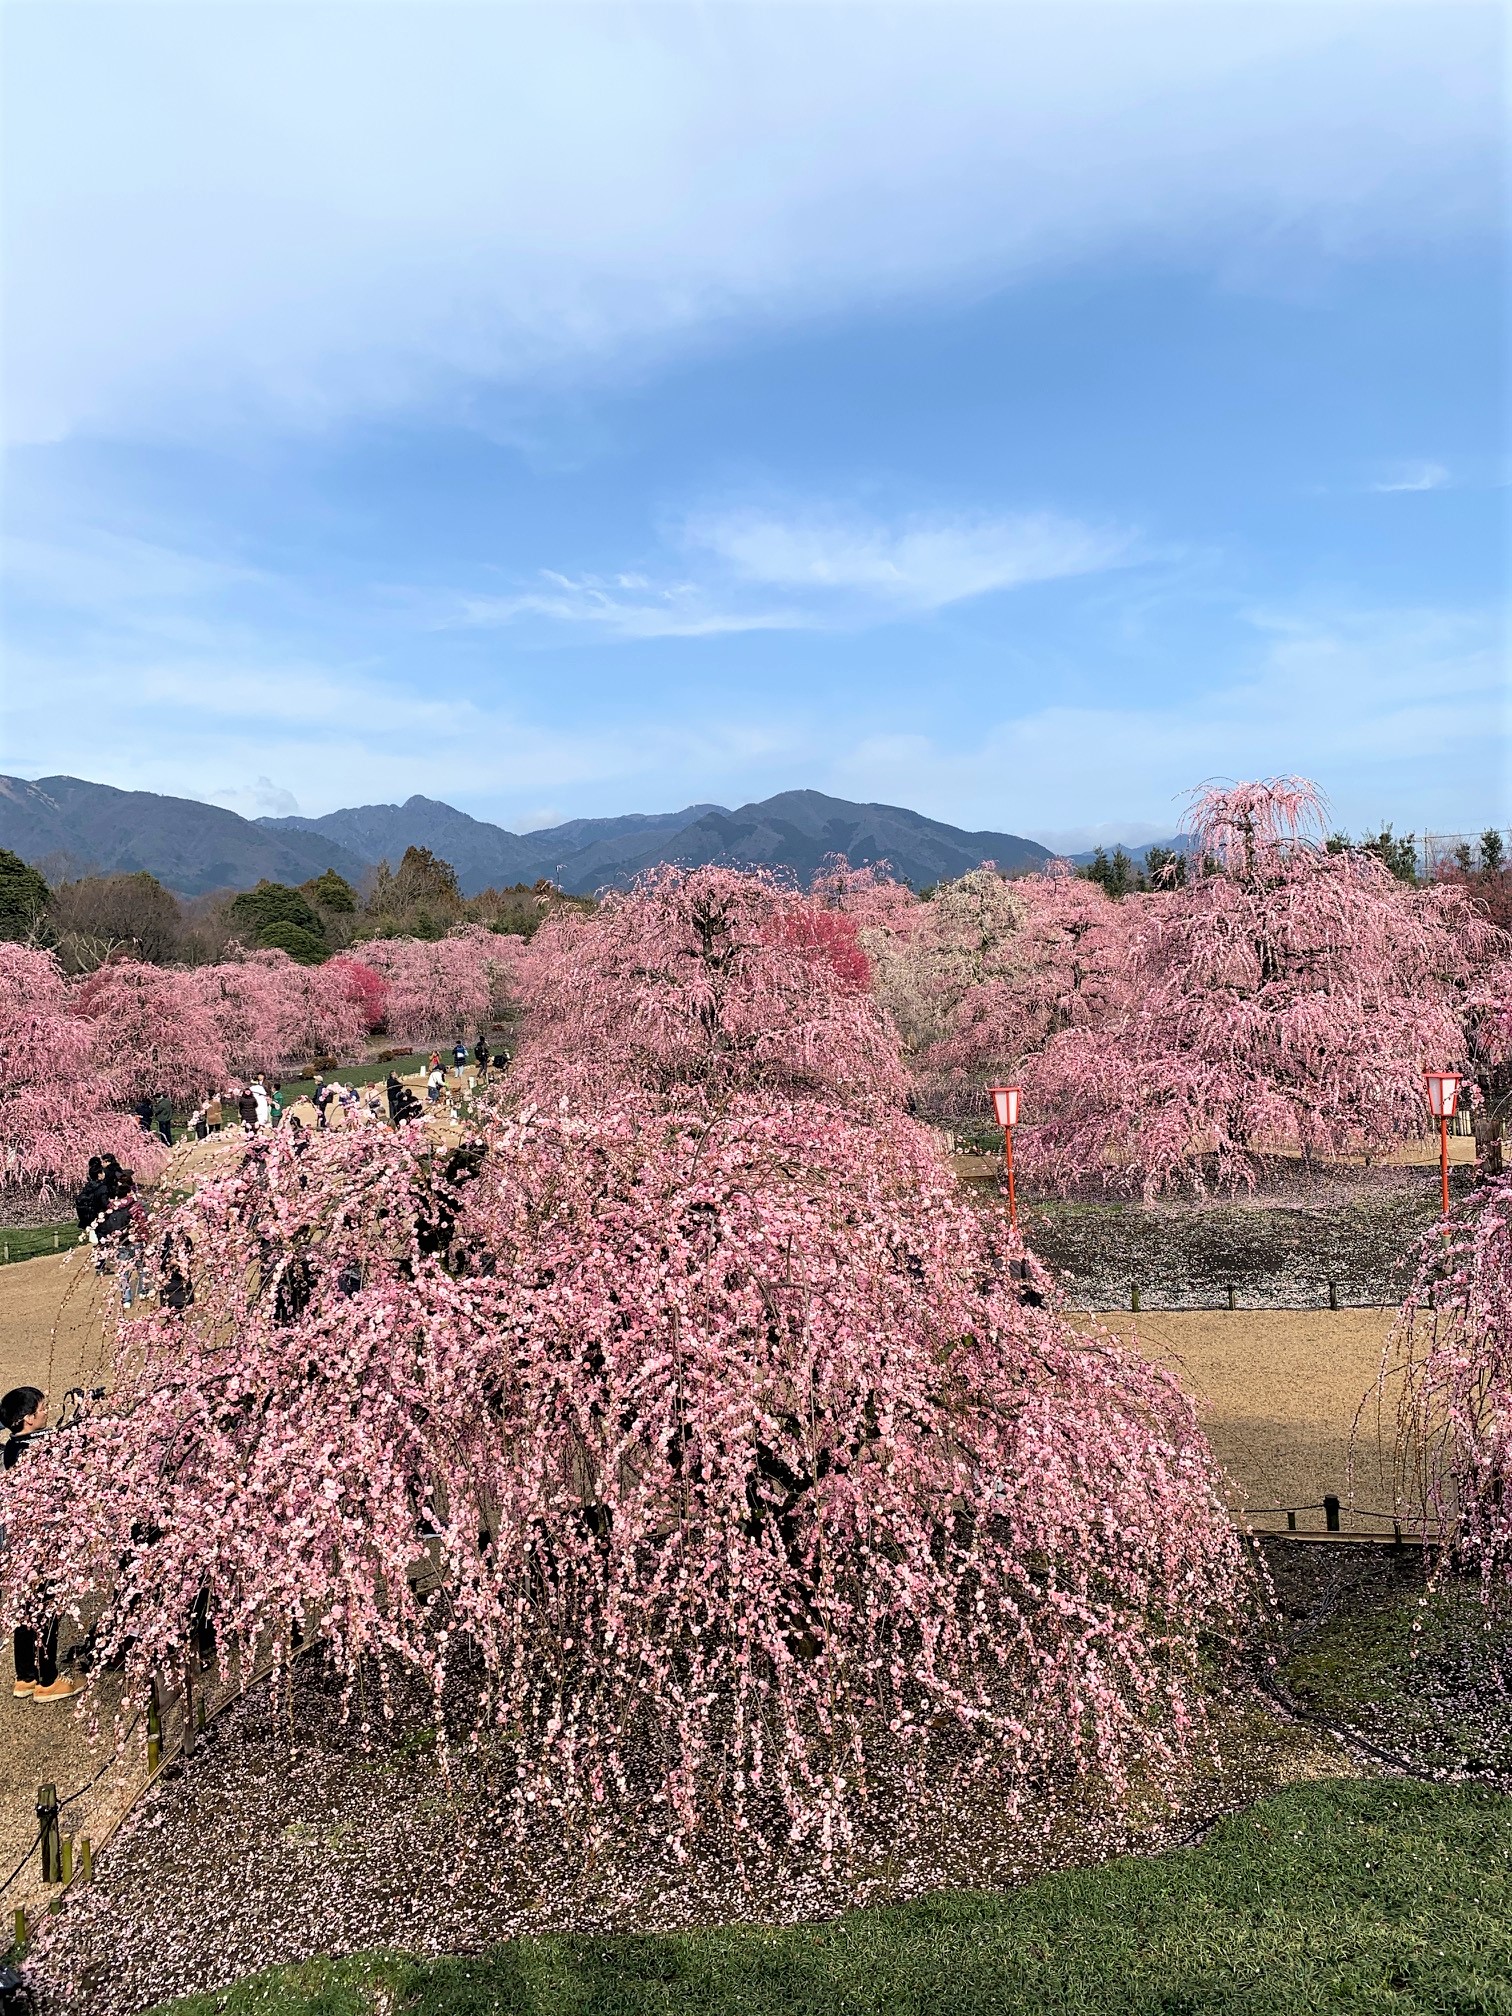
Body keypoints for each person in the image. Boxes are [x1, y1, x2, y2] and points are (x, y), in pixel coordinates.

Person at [2, 1387, 82, 1701]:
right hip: (44, 1542)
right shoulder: (40, 1448)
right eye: (42, 1408)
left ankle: (25, 1676)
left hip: (20, 1542)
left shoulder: (11, 1447)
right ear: (28, 1419)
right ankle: (48, 1681)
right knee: (46, 1608)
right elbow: (71, 1464)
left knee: (25, 1607)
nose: (46, 1412)